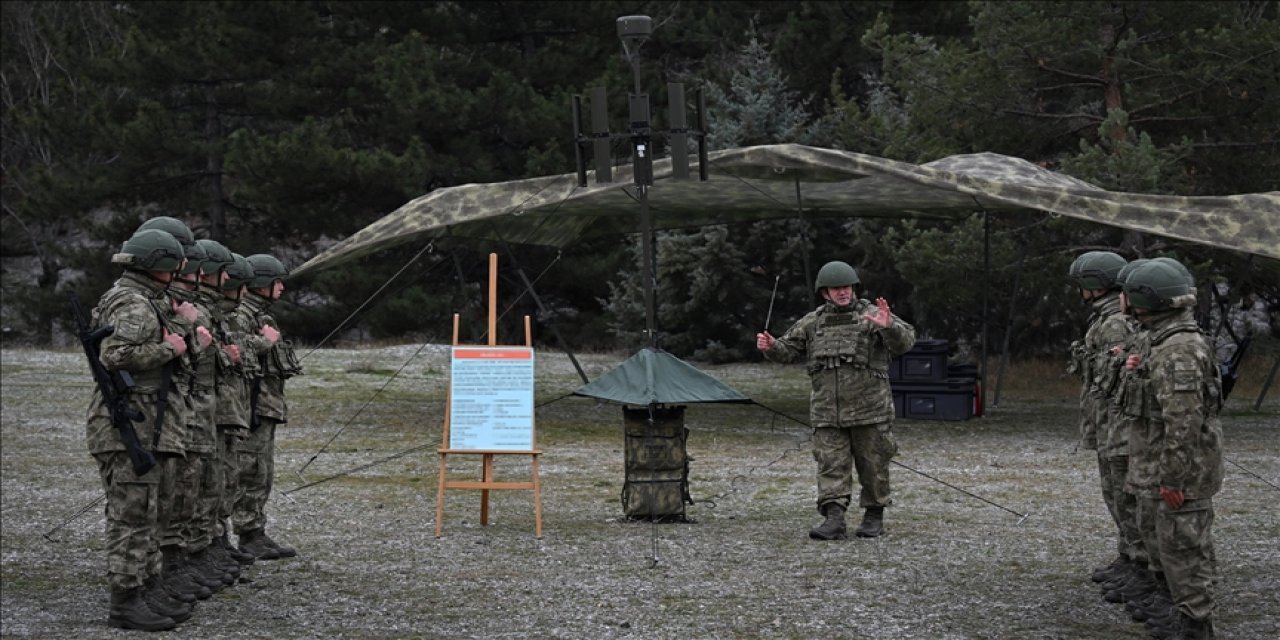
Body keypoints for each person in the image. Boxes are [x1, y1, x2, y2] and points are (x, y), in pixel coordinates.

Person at [755, 260, 915, 539]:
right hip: (828, 412)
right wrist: (770, 347)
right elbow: (787, 350)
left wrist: (889, 326)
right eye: (835, 288)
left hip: (870, 410)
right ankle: (834, 518)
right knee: (830, 465)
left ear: (854, 288)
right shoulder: (813, 322)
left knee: (873, 465)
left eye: (846, 287)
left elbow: (905, 343)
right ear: (824, 293)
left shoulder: (873, 315)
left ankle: (873, 515)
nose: (842, 292)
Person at [87, 229, 192, 630]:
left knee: (148, 510)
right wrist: (173, 346)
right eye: (177, 262)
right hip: (128, 424)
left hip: (143, 420)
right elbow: (116, 355)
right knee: (132, 515)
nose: (183, 269)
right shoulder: (133, 303)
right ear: (159, 264)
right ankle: (125, 603)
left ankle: (145, 589)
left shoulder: (144, 298)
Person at [1121, 259, 1223, 640]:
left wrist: (1172, 478)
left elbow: (1182, 422)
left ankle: (1197, 627)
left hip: (1181, 472)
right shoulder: (1164, 341)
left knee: (1184, 551)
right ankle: (1183, 615)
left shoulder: (1177, 350)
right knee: (1169, 546)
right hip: (1163, 466)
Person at [1066, 251, 1142, 590]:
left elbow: (1120, 381)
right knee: (1115, 495)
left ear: (1094, 285)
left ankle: (1141, 566)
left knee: (1125, 496)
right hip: (1109, 423)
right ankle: (1129, 557)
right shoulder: (1107, 318)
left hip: (1119, 426)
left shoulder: (1115, 323)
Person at [233, 253, 301, 559]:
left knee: (262, 471)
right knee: (250, 470)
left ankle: (255, 532)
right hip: (251, 407)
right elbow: (237, 352)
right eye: (276, 281)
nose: (281, 288)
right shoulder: (242, 314)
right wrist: (265, 343)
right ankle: (247, 534)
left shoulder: (257, 315)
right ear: (261, 283)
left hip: (263, 405)